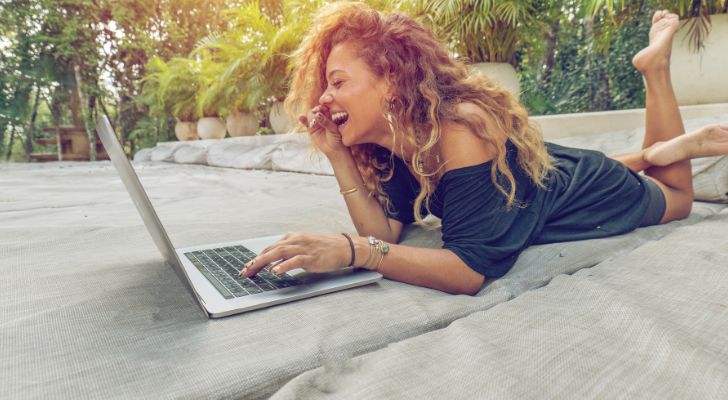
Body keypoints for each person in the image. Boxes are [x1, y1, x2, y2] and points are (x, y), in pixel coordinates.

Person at [239, 3, 728, 295]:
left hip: (595, 189)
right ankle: (652, 153)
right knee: (557, 171)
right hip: (543, 177)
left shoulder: (458, 130)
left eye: (338, 82)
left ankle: (654, 72)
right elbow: (386, 228)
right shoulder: (393, 143)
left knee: (679, 198)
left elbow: (468, 269)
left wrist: (353, 252)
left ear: (391, 83)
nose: (323, 99)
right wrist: (338, 155)